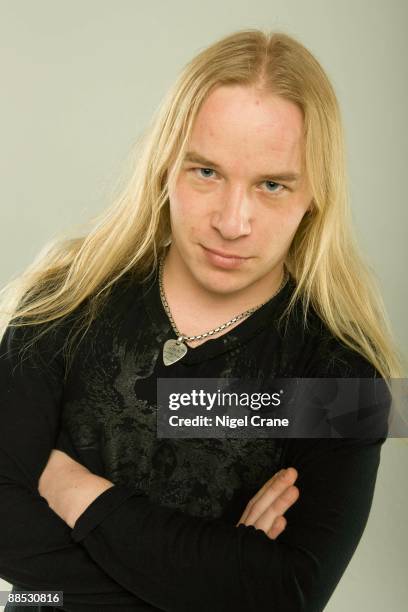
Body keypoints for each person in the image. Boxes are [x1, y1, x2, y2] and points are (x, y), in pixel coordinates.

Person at [0, 29, 403, 612]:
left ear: (316, 194)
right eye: (206, 172)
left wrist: (75, 489)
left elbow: (289, 595)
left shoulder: (348, 381)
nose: (232, 222)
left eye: (271, 185)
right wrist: (219, 580)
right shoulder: (60, 301)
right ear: (165, 165)